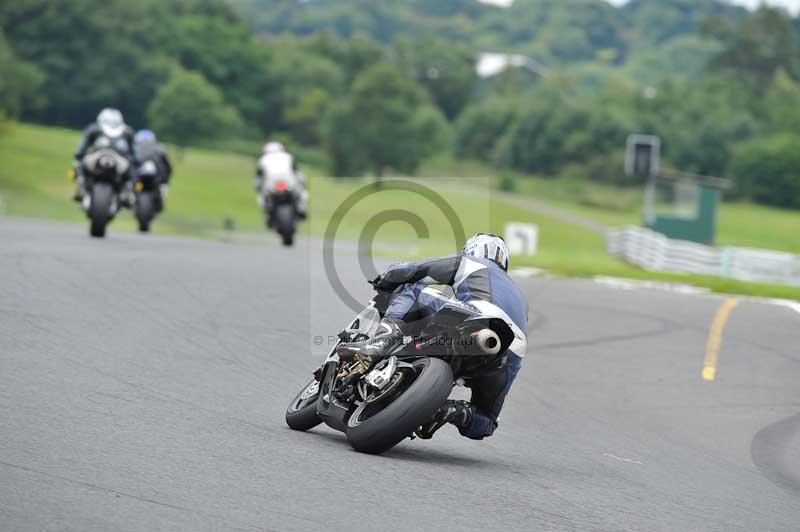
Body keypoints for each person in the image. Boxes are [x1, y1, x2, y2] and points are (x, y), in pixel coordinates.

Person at [338, 233, 528, 441]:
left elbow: (415, 270)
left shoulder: (471, 262)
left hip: (477, 320)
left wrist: (387, 278)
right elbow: (484, 427)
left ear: (472, 249)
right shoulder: (519, 295)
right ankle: (447, 411)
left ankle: (380, 343)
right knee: (487, 419)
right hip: (509, 353)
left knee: (412, 288)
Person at [72, 108, 136, 202]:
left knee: (79, 165)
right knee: (131, 170)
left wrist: (79, 155)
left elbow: (82, 149)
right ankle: (127, 192)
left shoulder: (94, 128)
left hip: (98, 157)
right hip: (120, 160)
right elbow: (134, 153)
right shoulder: (128, 131)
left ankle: (81, 185)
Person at [253, 141, 308, 219]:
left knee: (261, 195)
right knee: (302, 191)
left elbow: (259, 176)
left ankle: (266, 211)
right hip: (289, 181)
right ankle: (301, 207)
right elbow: (296, 171)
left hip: (270, 184)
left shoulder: (263, 159)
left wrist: (258, 188)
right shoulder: (288, 156)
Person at [133, 129, 172, 208]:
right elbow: (168, 167)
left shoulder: (159, 150)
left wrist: (164, 182)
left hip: (155, 180)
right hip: (141, 181)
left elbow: (167, 167)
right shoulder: (134, 150)